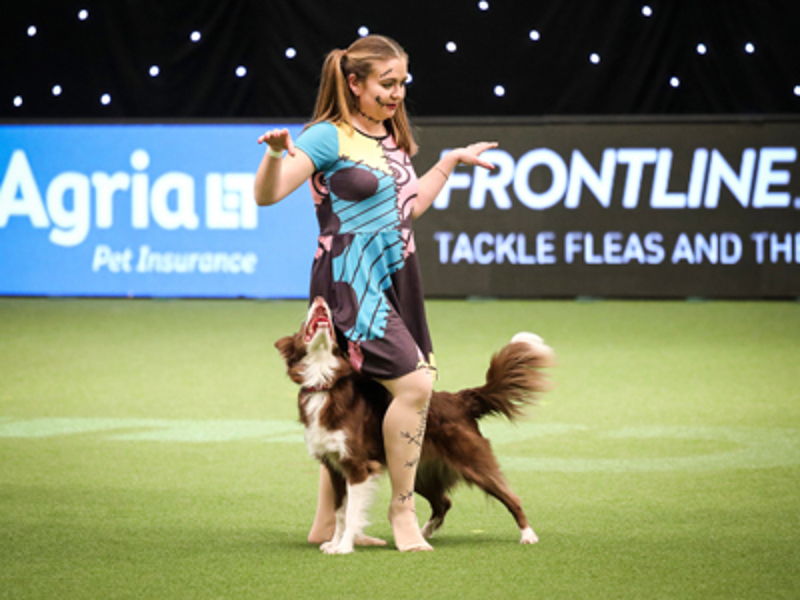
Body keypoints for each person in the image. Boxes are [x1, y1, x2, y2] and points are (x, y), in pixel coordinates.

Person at [254, 34, 496, 552]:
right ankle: (402, 512)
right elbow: (268, 195)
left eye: (403, 82)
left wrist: (449, 162)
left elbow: (408, 208)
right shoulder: (326, 136)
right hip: (349, 279)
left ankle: (327, 524)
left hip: (396, 273)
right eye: (387, 83)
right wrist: (275, 155)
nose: (397, 93)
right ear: (354, 83)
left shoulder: (391, 135)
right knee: (415, 385)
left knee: (361, 396)